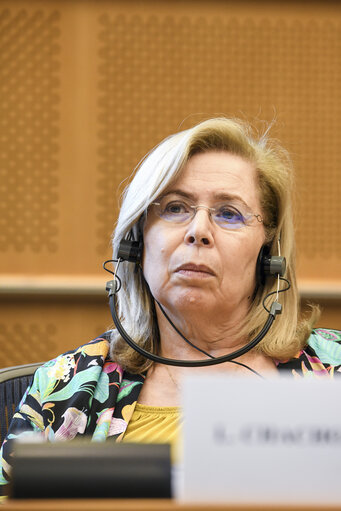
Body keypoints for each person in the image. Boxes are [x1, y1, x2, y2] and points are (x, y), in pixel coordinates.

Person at [1, 117, 340, 494]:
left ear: (268, 254)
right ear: (136, 243)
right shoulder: (65, 384)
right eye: (175, 208)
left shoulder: (334, 371)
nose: (198, 231)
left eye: (229, 213)